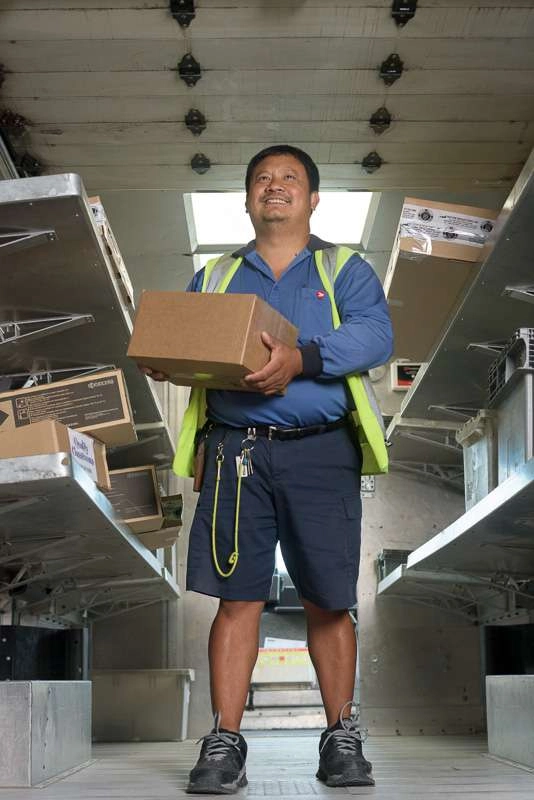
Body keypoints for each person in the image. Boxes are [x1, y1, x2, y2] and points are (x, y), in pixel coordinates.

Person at [145, 145, 393, 792]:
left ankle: (342, 738)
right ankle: (224, 743)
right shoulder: (219, 274)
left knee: (329, 599)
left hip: (321, 451)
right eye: (261, 179)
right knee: (237, 595)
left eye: (289, 179)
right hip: (235, 455)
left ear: (313, 199)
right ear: (248, 199)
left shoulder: (344, 268)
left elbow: (374, 335)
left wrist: (302, 359)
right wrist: (168, 355)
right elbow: (193, 344)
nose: (273, 187)